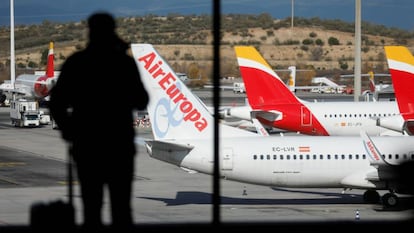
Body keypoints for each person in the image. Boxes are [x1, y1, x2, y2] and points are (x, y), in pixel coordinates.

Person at [49, 12, 149, 231]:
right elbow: (142, 101)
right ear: (112, 31)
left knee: (91, 208)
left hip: (87, 147)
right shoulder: (124, 63)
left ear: (90, 32)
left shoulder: (77, 63)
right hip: (118, 146)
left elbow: (55, 103)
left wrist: (69, 130)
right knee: (121, 209)